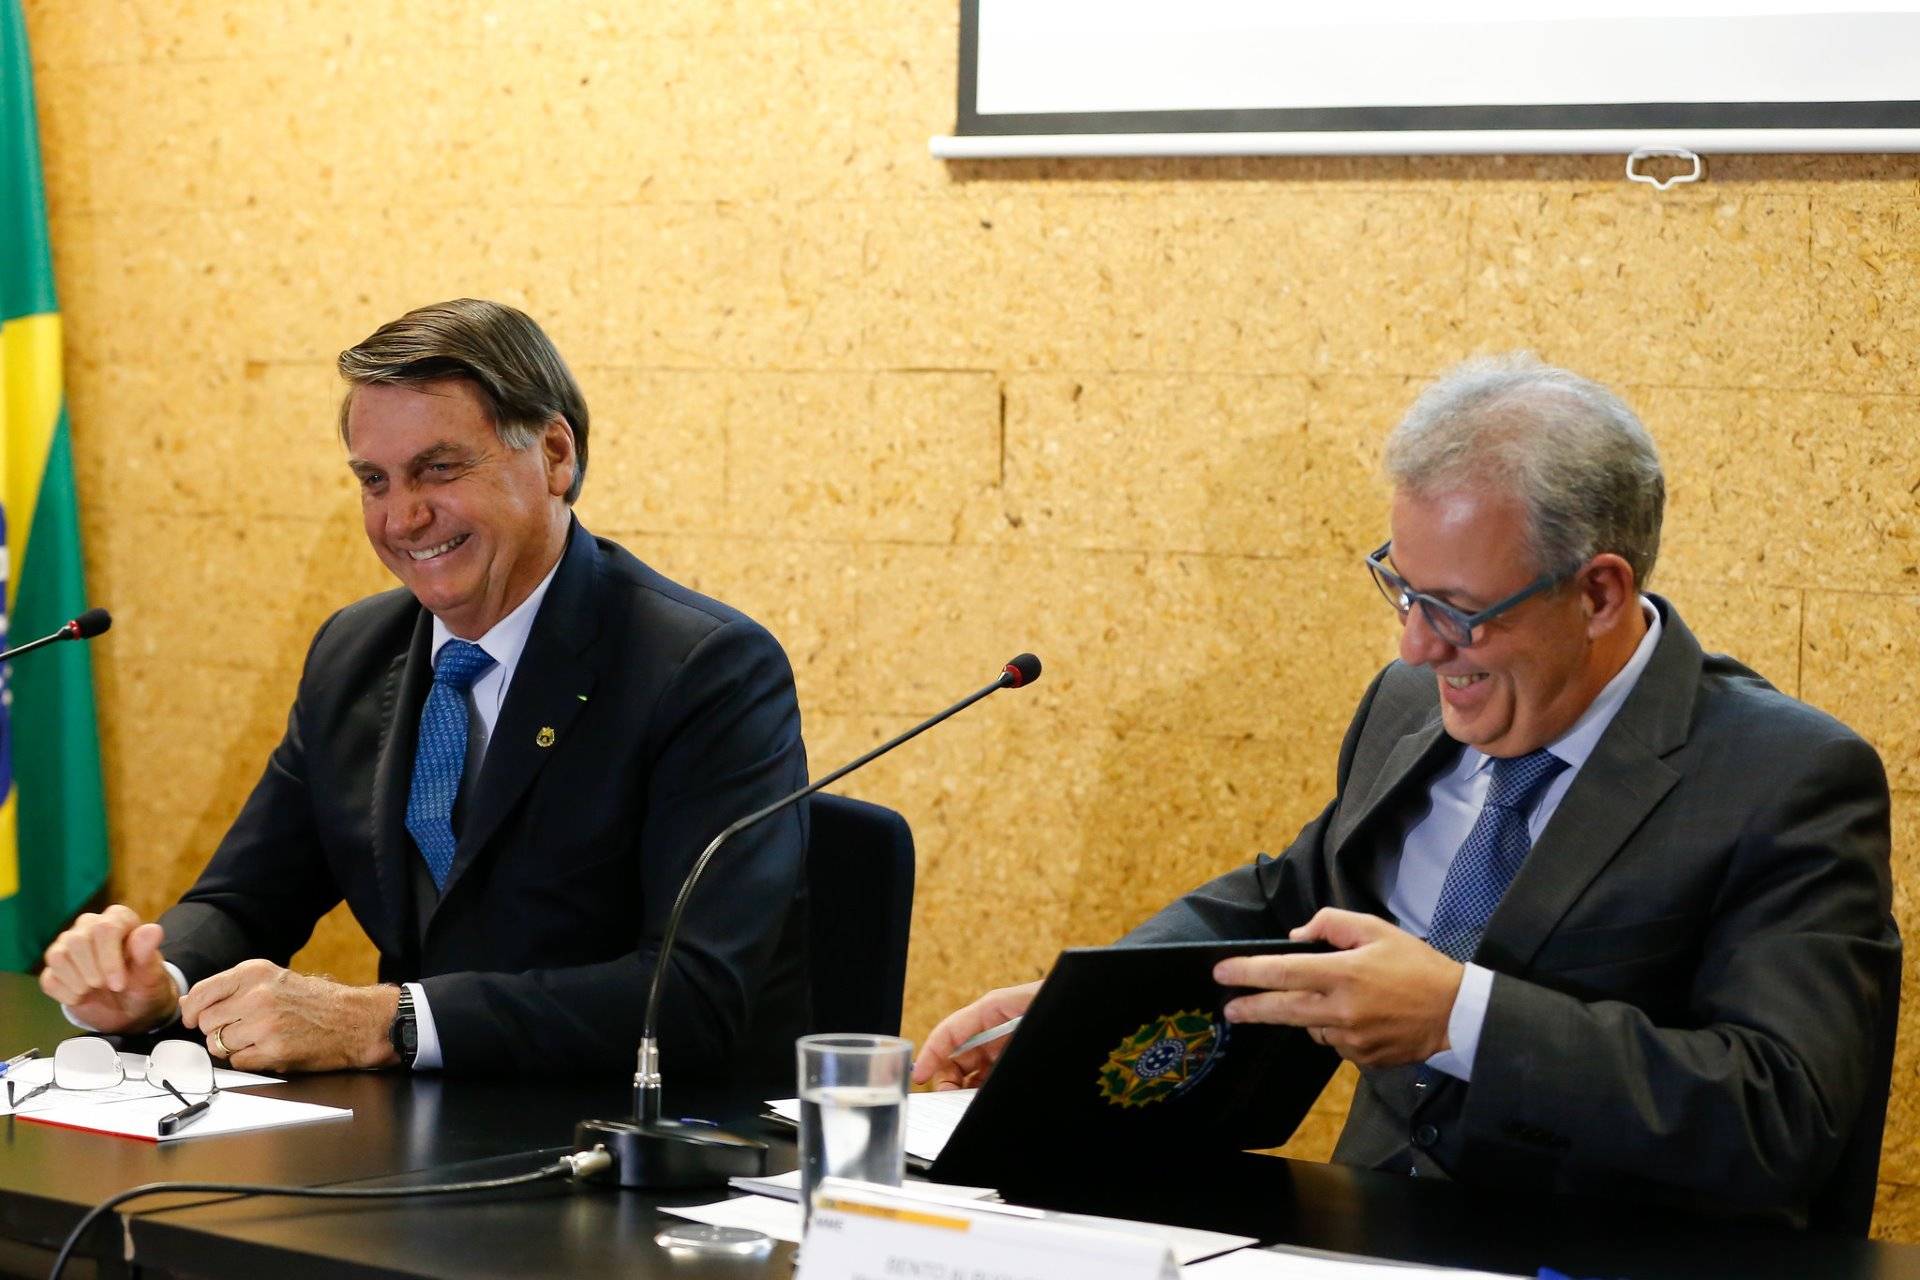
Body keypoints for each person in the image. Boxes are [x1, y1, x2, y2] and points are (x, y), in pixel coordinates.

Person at [915, 354, 1896, 1225]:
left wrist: (1459, 1018)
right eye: (1403, 589)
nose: (1418, 646)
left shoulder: (1784, 776)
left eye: (1458, 611)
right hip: (1360, 1234)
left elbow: (1782, 1113)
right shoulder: (1407, 705)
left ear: (1599, 592)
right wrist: (1078, 1019)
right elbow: (1295, 902)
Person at [38, 299, 811, 1081]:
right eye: (375, 481)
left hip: (633, 1125)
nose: (403, 518)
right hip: (424, 1126)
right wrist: (156, 979)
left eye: (439, 468)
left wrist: (392, 1021)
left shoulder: (704, 669)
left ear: (554, 455)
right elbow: (246, 898)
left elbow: (693, 995)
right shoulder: (354, 651)